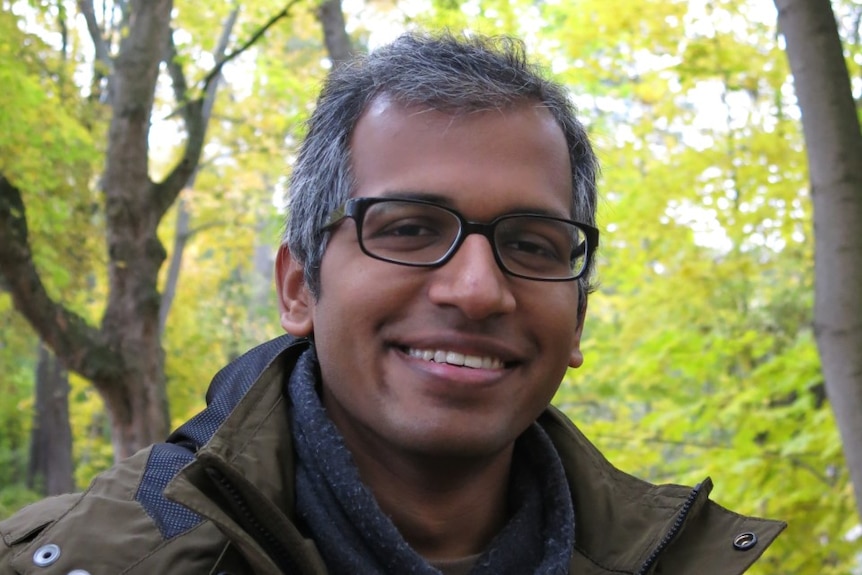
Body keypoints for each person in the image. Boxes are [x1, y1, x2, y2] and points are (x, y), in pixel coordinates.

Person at [0, 32, 784, 575]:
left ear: (576, 317)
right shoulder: (93, 557)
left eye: (534, 243)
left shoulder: (689, 558)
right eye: (409, 228)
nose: (478, 289)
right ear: (299, 287)